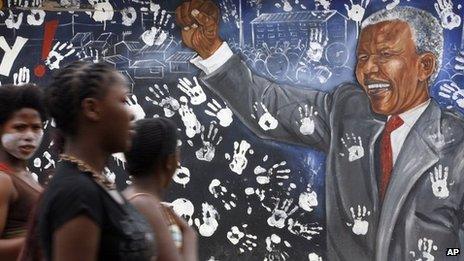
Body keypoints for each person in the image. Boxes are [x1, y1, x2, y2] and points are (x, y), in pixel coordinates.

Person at [176, 2, 464, 261]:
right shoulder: (348, 111)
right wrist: (212, 50)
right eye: (363, 58)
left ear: (424, 65)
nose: (368, 70)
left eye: (385, 55)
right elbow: (268, 105)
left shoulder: (458, 142)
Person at [36, 61, 156, 261]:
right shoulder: (77, 193)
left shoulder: (93, 183)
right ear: (92, 109)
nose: (132, 112)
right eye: (123, 101)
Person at [123, 117, 198, 261]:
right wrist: (190, 236)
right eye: (177, 153)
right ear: (169, 161)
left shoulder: (134, 199)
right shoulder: (144, 205)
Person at [0, 84, 46, 261]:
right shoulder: (3, 180)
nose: (29, 135)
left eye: (36, 127)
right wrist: (46, 237)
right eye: (19, 127)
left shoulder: (25, 175)